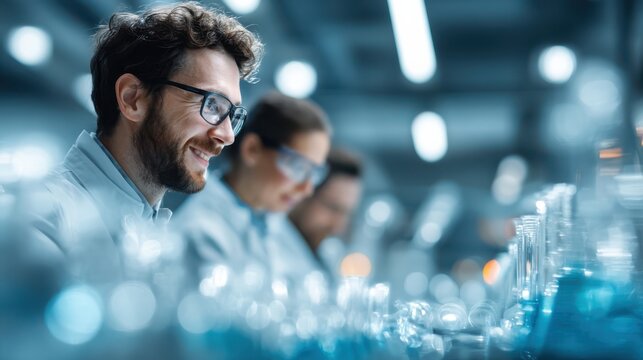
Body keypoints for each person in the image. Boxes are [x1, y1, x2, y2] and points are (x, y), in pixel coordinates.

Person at [29, 2, 263, 282]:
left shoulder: (157, 240)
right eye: (213, 105)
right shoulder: (39, 225)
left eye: (232, 114)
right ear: (133, 99)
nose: (227, 135)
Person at [173, 91, 332, 284]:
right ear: (252, 149)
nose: (307, 188)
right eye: (298, 167)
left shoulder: (275, 226)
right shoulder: (202, 231)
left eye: (315, 173)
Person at [283, 148, 363, 280]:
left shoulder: (327, 261)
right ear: (304, 193)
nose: (338, 226)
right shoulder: (269, 251)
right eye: (333, 208)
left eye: (347, 214)